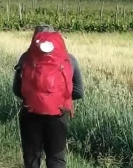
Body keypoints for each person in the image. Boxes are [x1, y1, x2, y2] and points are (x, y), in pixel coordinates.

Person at [13, 25, 84, 168]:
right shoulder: (69, 59)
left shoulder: (25, 58)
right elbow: (79, 92)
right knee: (56, 159)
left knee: (32, 157)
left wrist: (36, 97)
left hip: (30, 113)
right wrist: (59, 97)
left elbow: (17, 90)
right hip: (58, 114)